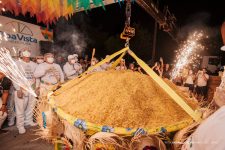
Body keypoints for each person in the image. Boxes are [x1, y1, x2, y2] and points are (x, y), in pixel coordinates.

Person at [14, 49, 38, 134]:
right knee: (20, 108)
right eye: (25, 50)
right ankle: (20, 125)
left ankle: (29, 121)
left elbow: (37, 77)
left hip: (32, 88)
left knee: (31, 106)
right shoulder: (17, 63)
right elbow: (14, 76)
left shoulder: (34, 64)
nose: (27, 51)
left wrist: (37, 88)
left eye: (28, 50)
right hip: (22, 88)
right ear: (21, 53)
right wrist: (17, 89)